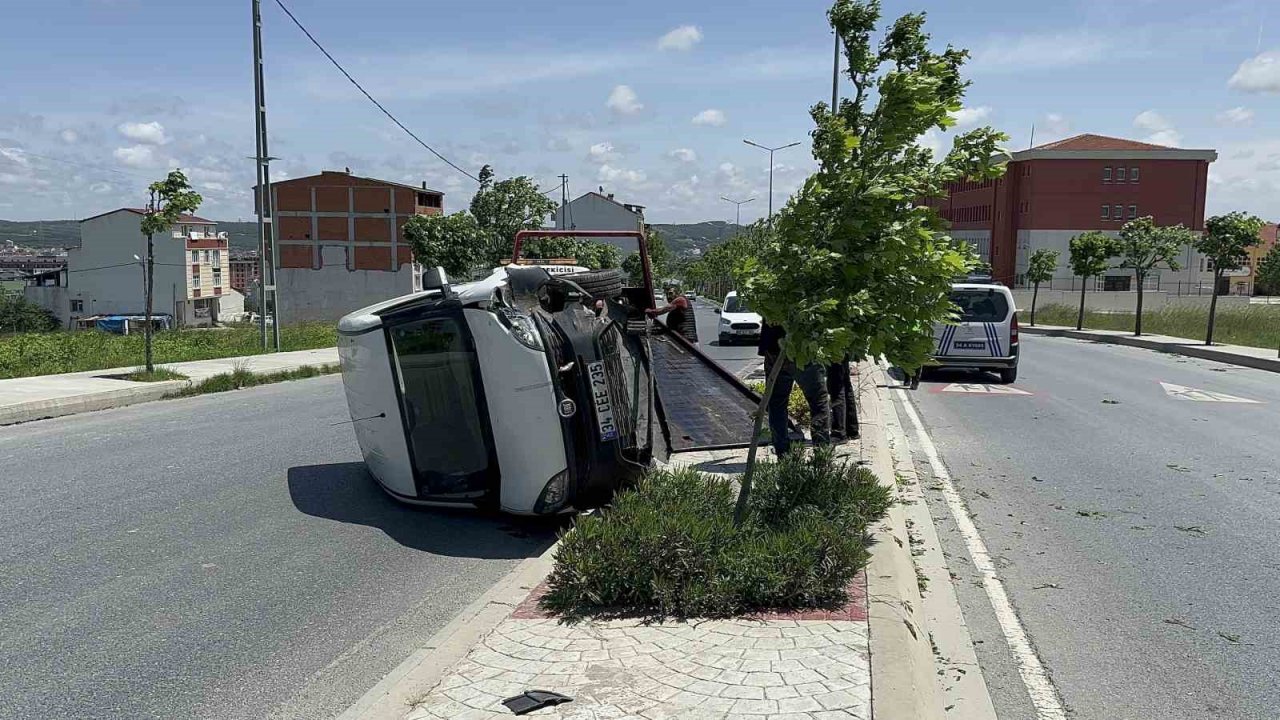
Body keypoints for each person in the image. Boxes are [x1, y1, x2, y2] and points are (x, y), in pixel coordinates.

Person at [758, 321, 830, 456]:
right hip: (804, 348)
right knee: (818, 401)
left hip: (774, 346)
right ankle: (822, 455)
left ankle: (783, 454)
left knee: (777, 403)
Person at [826, 356, 859, 441]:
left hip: (834, 351)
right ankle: (851, 429)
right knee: (845, 384)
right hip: (842, 350)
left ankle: (839, 433)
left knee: (836, 385)